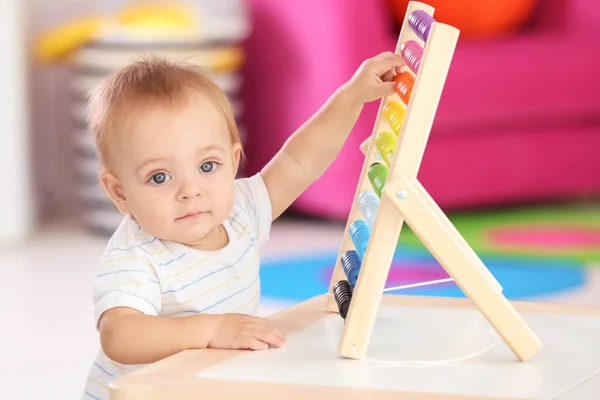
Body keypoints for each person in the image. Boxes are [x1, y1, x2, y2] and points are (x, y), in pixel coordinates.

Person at [82, 51, 404, 399]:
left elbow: (299, 161)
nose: (190, 191)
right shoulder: (136, 255)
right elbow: (120, 336)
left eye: (207, 166)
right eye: (159, 177)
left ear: (233, 161)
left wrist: (351, 96)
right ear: (120, 193)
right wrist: (212, 330)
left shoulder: (240, 210)